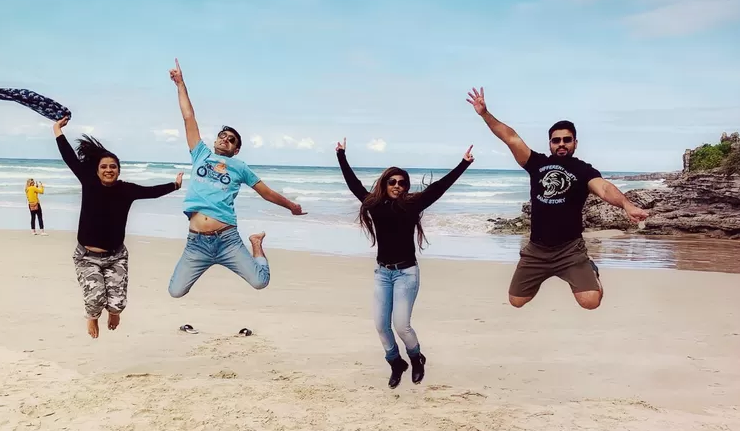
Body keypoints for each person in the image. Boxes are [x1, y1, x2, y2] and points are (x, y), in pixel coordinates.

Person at [466, 87, 649, 310]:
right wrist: (485, 113)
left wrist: (626, 204)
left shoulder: (583, 170)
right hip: (536, 249)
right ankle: (542, 273)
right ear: (550, 143)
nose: (561, 143)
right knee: (516, 301)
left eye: (567, 140)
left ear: (575, 143)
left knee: (590, 302)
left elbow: (604, 188)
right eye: (556, 140)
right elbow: (511, 138)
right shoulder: (537, 164)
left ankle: (589, 269)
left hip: (570, 250)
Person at [336, 137, 474, 389]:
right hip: (382, 274)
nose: (398, 186)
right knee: (381, 325)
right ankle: (395, 362)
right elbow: (353, 184)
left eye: (402, 183)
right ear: (385, 184)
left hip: (406, 273)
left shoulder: (413, 205)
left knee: (401, 325)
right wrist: (341, 156)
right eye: (393, 182)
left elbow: (439, 188)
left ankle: (415, 357)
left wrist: (463, 164)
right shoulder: (374, 206)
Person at [166, 60, 306, 304]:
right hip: (196, 243)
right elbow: (189, 117)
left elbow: (266, 193)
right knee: (175, 291)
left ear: (236, 150)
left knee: (260, 281)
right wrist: (180, 83)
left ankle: (256, 243)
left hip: (227, 239)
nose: (225, 140)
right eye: (222, 136)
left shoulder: (240, 167)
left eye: (231, 140)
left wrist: (291, 206)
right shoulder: (201, 154)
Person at [53, 115, 184, 339]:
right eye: (104, 166)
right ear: (96, 170)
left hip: (116, 256)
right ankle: (92, 317)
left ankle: (114, 313)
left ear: (119, 170)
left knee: (118, 301)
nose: (108, 169)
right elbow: (69, 157)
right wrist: (57, 130)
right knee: (95, 297)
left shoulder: (127, 190)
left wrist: (175, 185)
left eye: (113, 166)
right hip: (86, 256)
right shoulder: (89, 181)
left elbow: (151, 192)